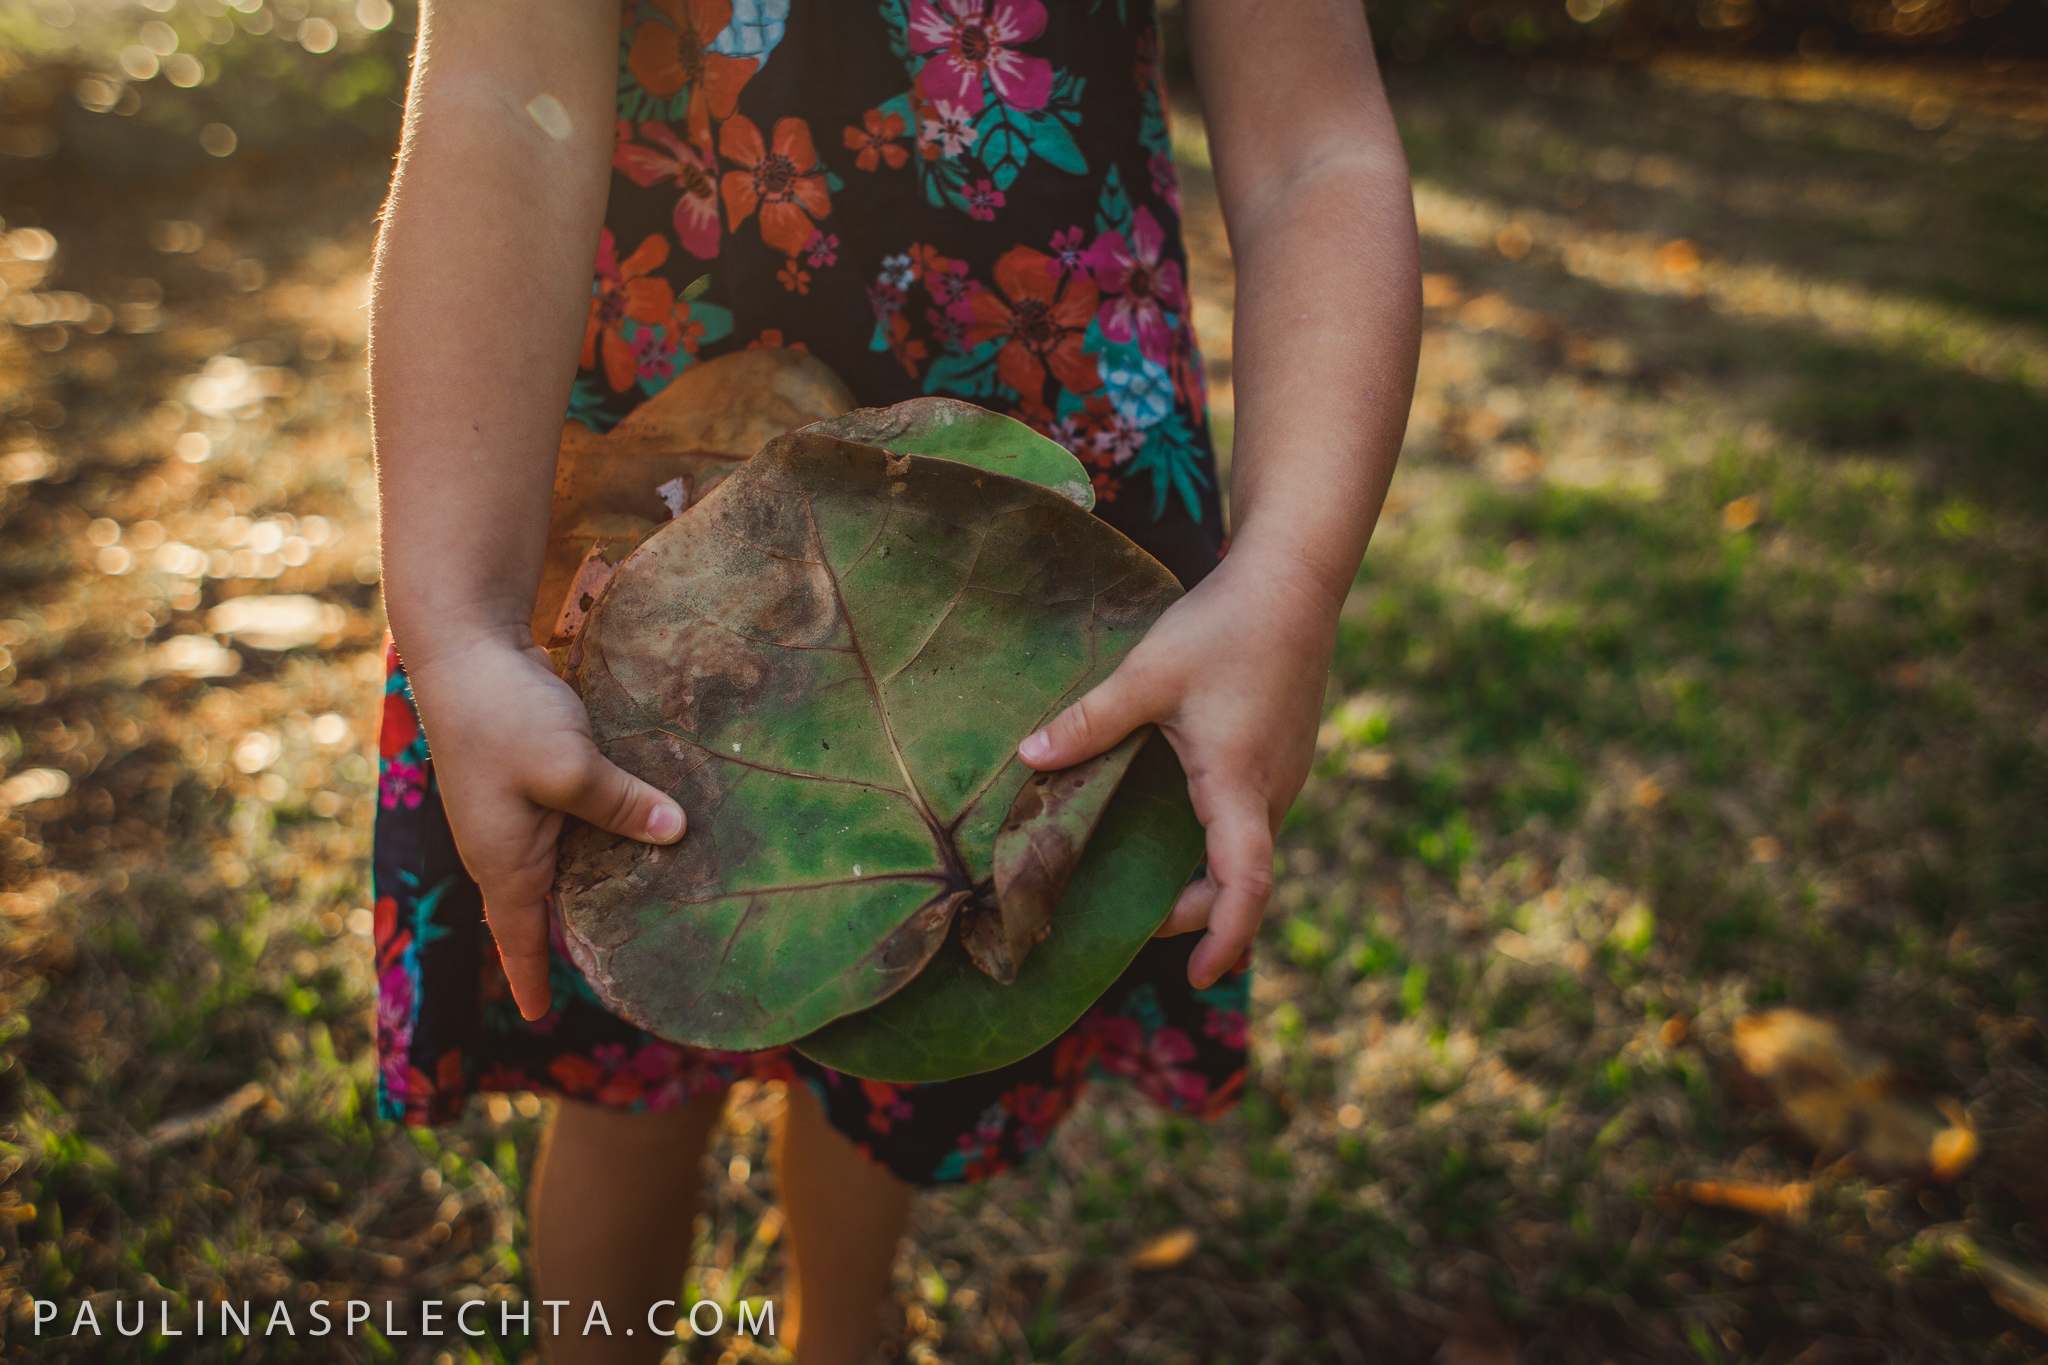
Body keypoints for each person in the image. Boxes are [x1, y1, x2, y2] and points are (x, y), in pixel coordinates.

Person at [367, 0, 1419, 1360]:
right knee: (634, 1020)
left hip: (1016, 526)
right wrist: (459, 625)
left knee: (915, 998)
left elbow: (1315, 149)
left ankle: (842, 1335)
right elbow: (497, 99)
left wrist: (1292, 585)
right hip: (652, 495)